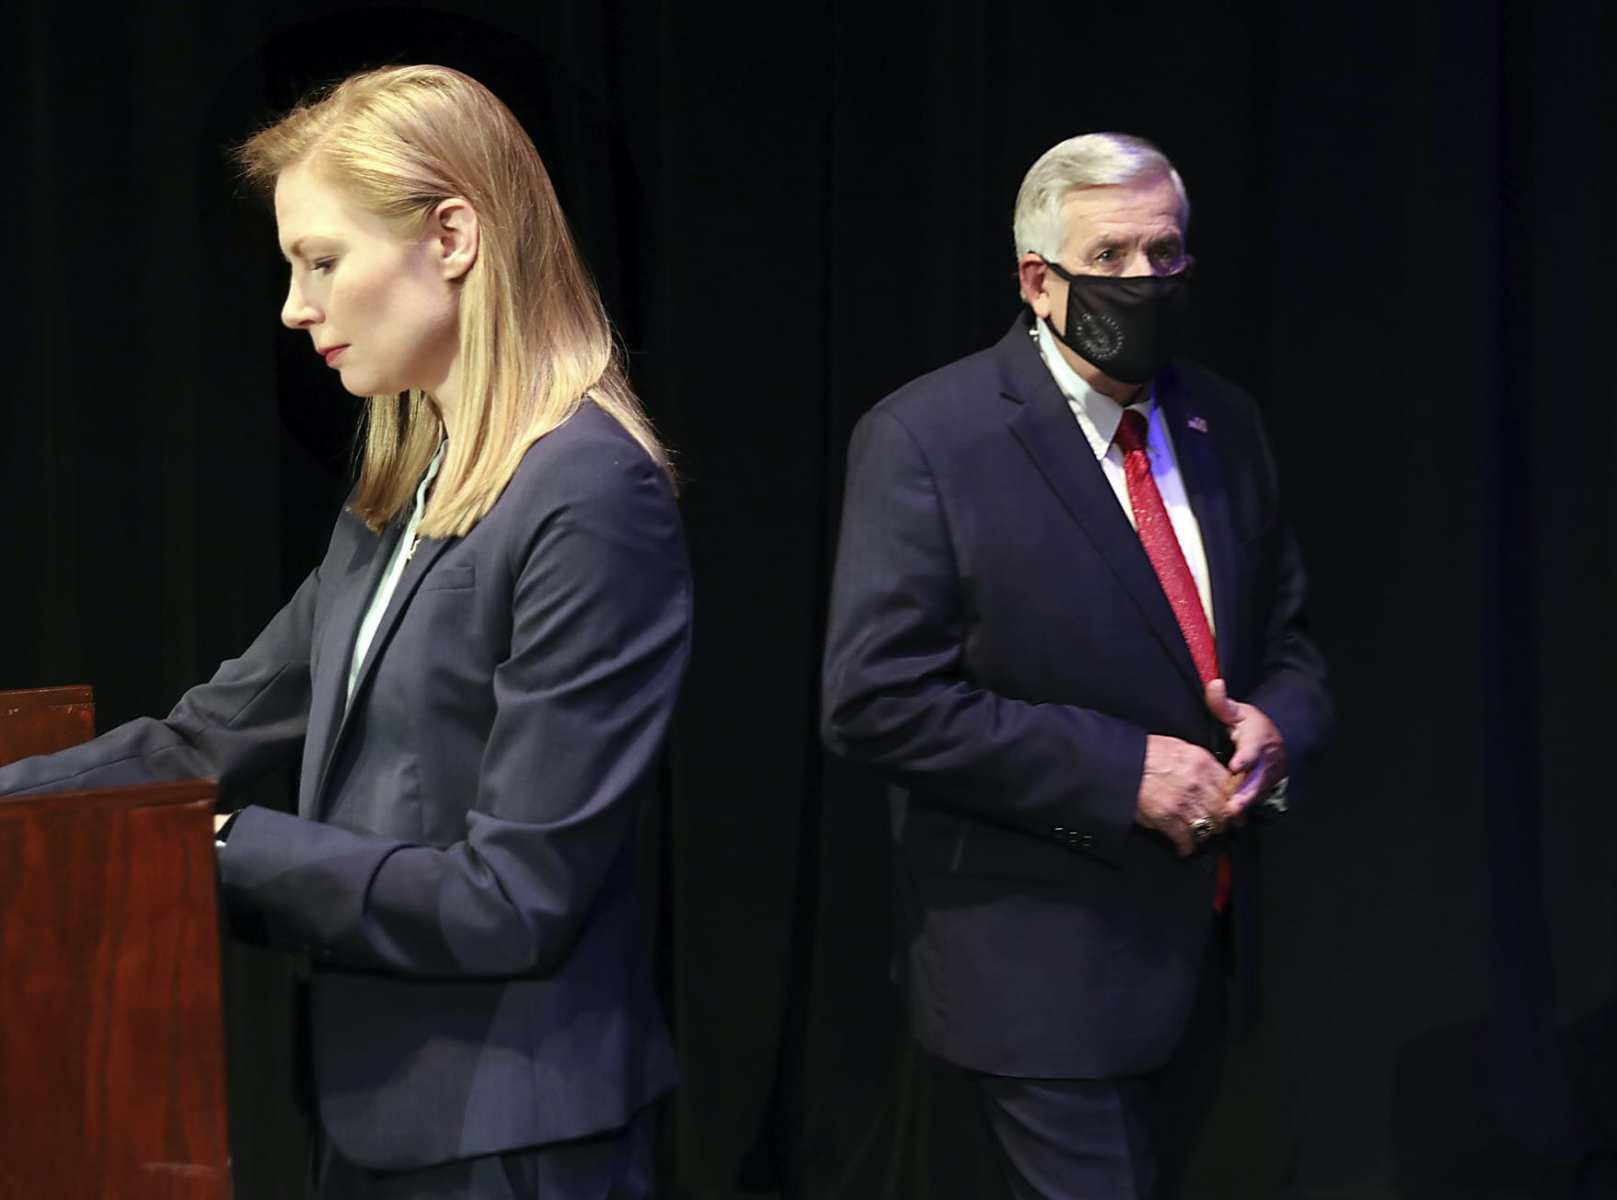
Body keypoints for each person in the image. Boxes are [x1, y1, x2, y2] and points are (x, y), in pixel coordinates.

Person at [0, 65, 688, 1199]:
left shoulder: (588, 495)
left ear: (454, 236)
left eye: (321, 261)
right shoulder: (404, 490)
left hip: (511, 1136)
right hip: (374, 1116)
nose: (294, 306)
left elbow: (514, 897)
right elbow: (203, 735)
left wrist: (212, 845)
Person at [820, 132, 1331, 1198]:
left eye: (1167, 254)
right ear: (1037, 282)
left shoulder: (1221, 422)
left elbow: (1290, 642)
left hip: (1209, 942)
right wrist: (1118, 770)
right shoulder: (929, 438)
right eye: (1115, 259)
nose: (1147, 282)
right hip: (1037, 962)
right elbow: (875, 701)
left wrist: (1280, 723)